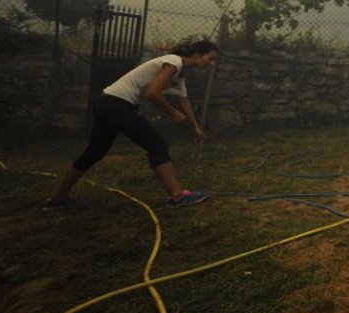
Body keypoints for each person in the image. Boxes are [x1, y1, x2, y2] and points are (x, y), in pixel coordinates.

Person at [43, 40, 219, 210]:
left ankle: (58, 199)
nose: (210, 64)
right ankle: (178, 196)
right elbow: (153, 93)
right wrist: (172, 112)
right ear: (197, 54)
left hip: (106, 101)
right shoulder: (174, 61)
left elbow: (184, 100)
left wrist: (195, 126)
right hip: (118, 104)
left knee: (95, 152)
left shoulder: (178, 74)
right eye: (210, 58)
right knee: (157, 145)